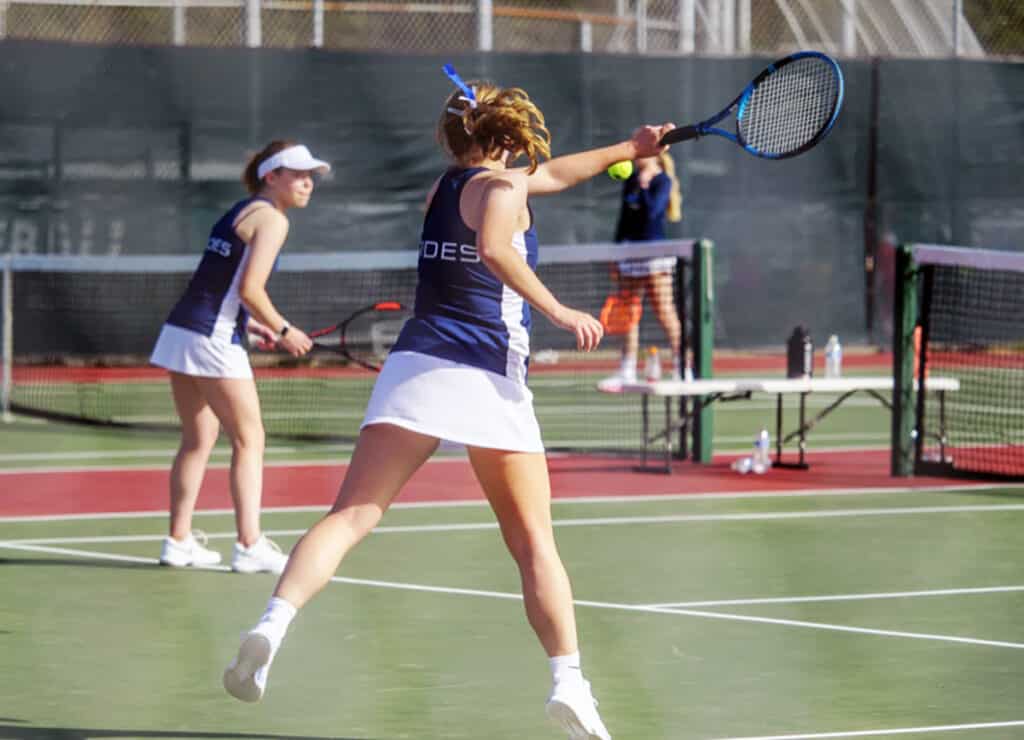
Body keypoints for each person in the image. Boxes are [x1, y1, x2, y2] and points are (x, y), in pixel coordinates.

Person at [222, 70, 673, 740]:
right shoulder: (504, 188)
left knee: (348, 517)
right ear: (512, 136)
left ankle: (271, 624)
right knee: (533, 544)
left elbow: (559, 175)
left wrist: (628, 148)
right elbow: (495, 246)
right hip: (488, 376)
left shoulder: (448, 186)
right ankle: (569, 682)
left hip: (415, 368)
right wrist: (556, 308)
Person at [149, 140, 327, 573]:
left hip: (182, 330)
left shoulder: (238, 211)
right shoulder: (272, 220)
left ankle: (178, 540)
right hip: (210, 337)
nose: (308, 182)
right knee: (250, 440)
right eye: (298, 174)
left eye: (311, 176)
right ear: (272, 176)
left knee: (198, 440)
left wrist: (254, 326)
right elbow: (250, 290)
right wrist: (285, 330)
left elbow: (220, 287)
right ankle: (249, 545)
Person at [597, 150, 685, 392]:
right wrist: (616, 252)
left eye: (643, 151)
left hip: (654, 253)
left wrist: (645, 188)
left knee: (664, 311)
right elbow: (624, 219)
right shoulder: (631, 179)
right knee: (628, 312)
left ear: (656, 153)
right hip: (629, 253)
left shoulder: (662, 180)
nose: (637, 156)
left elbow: (653, 213)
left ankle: (682, 367)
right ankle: (627, 369)